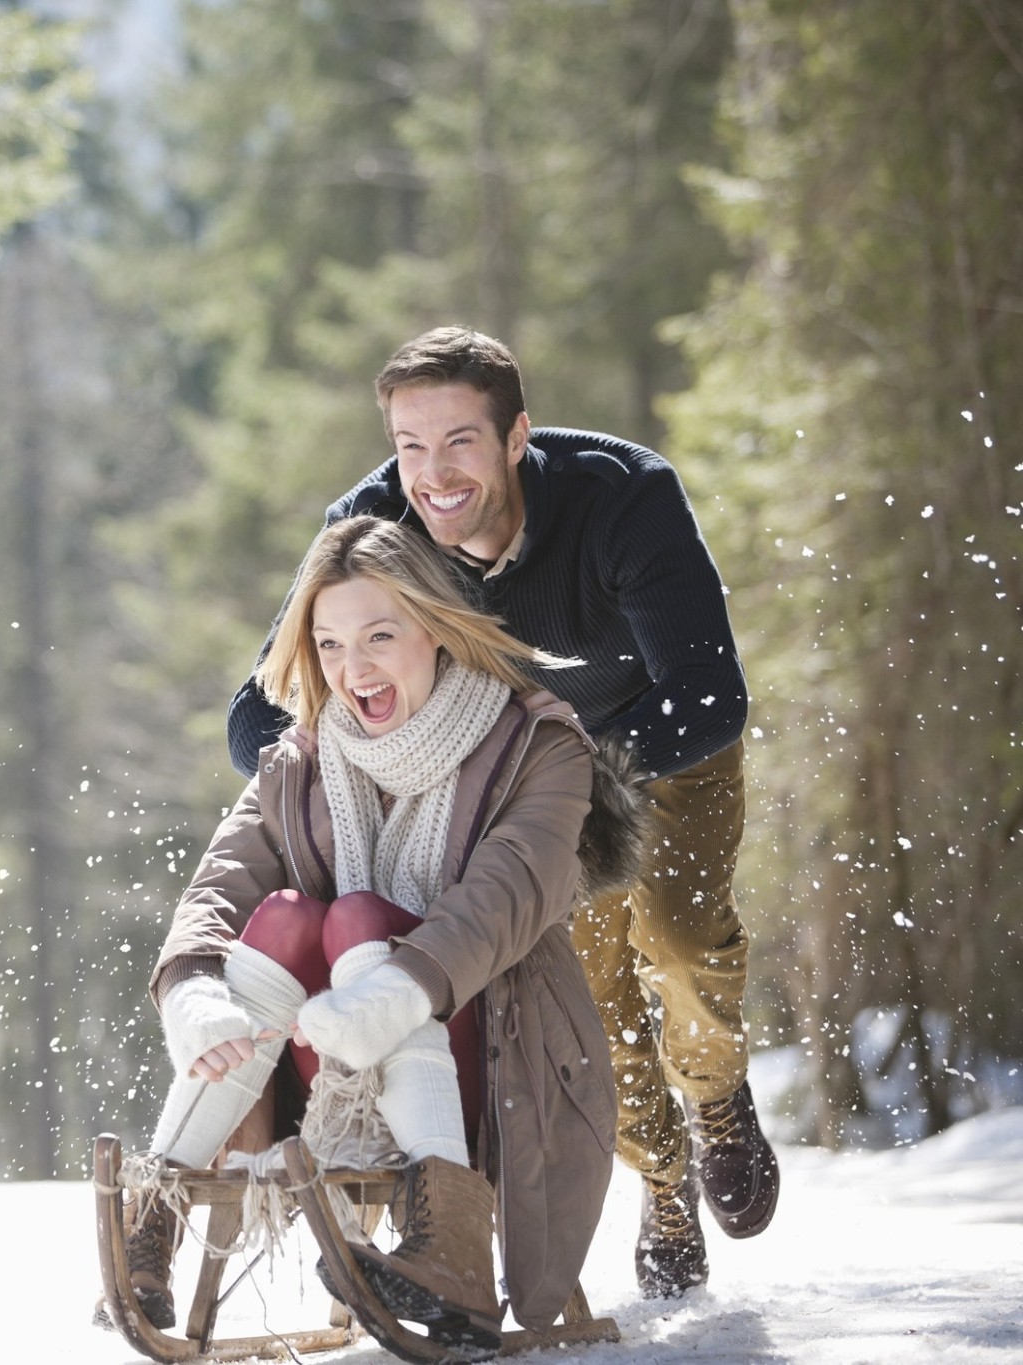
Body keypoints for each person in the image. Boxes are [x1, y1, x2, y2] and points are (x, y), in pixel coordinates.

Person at [226, 326, 779, 1298]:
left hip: (656, 752)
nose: (431, 476)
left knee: (679, 938)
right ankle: (660, 1188)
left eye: (459, 443)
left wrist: (580, 778)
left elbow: (707, 695)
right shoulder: (370, 525)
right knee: (588, 997)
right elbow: (257, 713)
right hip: (520, 783)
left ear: (516, 435)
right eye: (408, 446)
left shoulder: (619, 500)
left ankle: (717, 1099)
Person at [120, 516, 644, 1347]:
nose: (351, 668)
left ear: (434, 628)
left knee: (358, 916)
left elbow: (503, 898)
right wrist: (192, 990)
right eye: (328, 645)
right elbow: (222, 881)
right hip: (327, 1072)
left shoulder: (535, 748)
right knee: (287, 916)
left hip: (493, 1063)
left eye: (378, 636)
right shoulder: (303, 758)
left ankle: (454, 1243)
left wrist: (392, 992)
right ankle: (153, 1217)